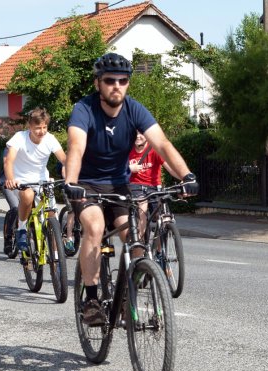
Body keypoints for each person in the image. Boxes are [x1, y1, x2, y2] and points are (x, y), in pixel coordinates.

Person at [64, 52, 198, 327]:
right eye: (110, 80)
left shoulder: (134, 109)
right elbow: (76, 147)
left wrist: (186, 175)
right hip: (87, 182)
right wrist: (72, 183)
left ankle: (128, 294)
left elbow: (162, 144)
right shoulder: (84, 109)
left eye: (123, 81)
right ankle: (91, 300)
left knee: (134, 236)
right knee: (95, 227)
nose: (117, 86)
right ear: (97, 83)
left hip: (119, 184)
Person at [3, 107, 67, 251]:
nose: (42, 131)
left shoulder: (50, 139)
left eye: (45, 127)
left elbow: (64, 159)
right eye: (38, 128)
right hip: (21, 180)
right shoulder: (20, 137)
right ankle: (22, 228)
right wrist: (10, 179)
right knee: (28, 196)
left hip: (43, 181)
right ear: (29, 126)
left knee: (52, 217)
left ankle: (57, 258)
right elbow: (9, 161)